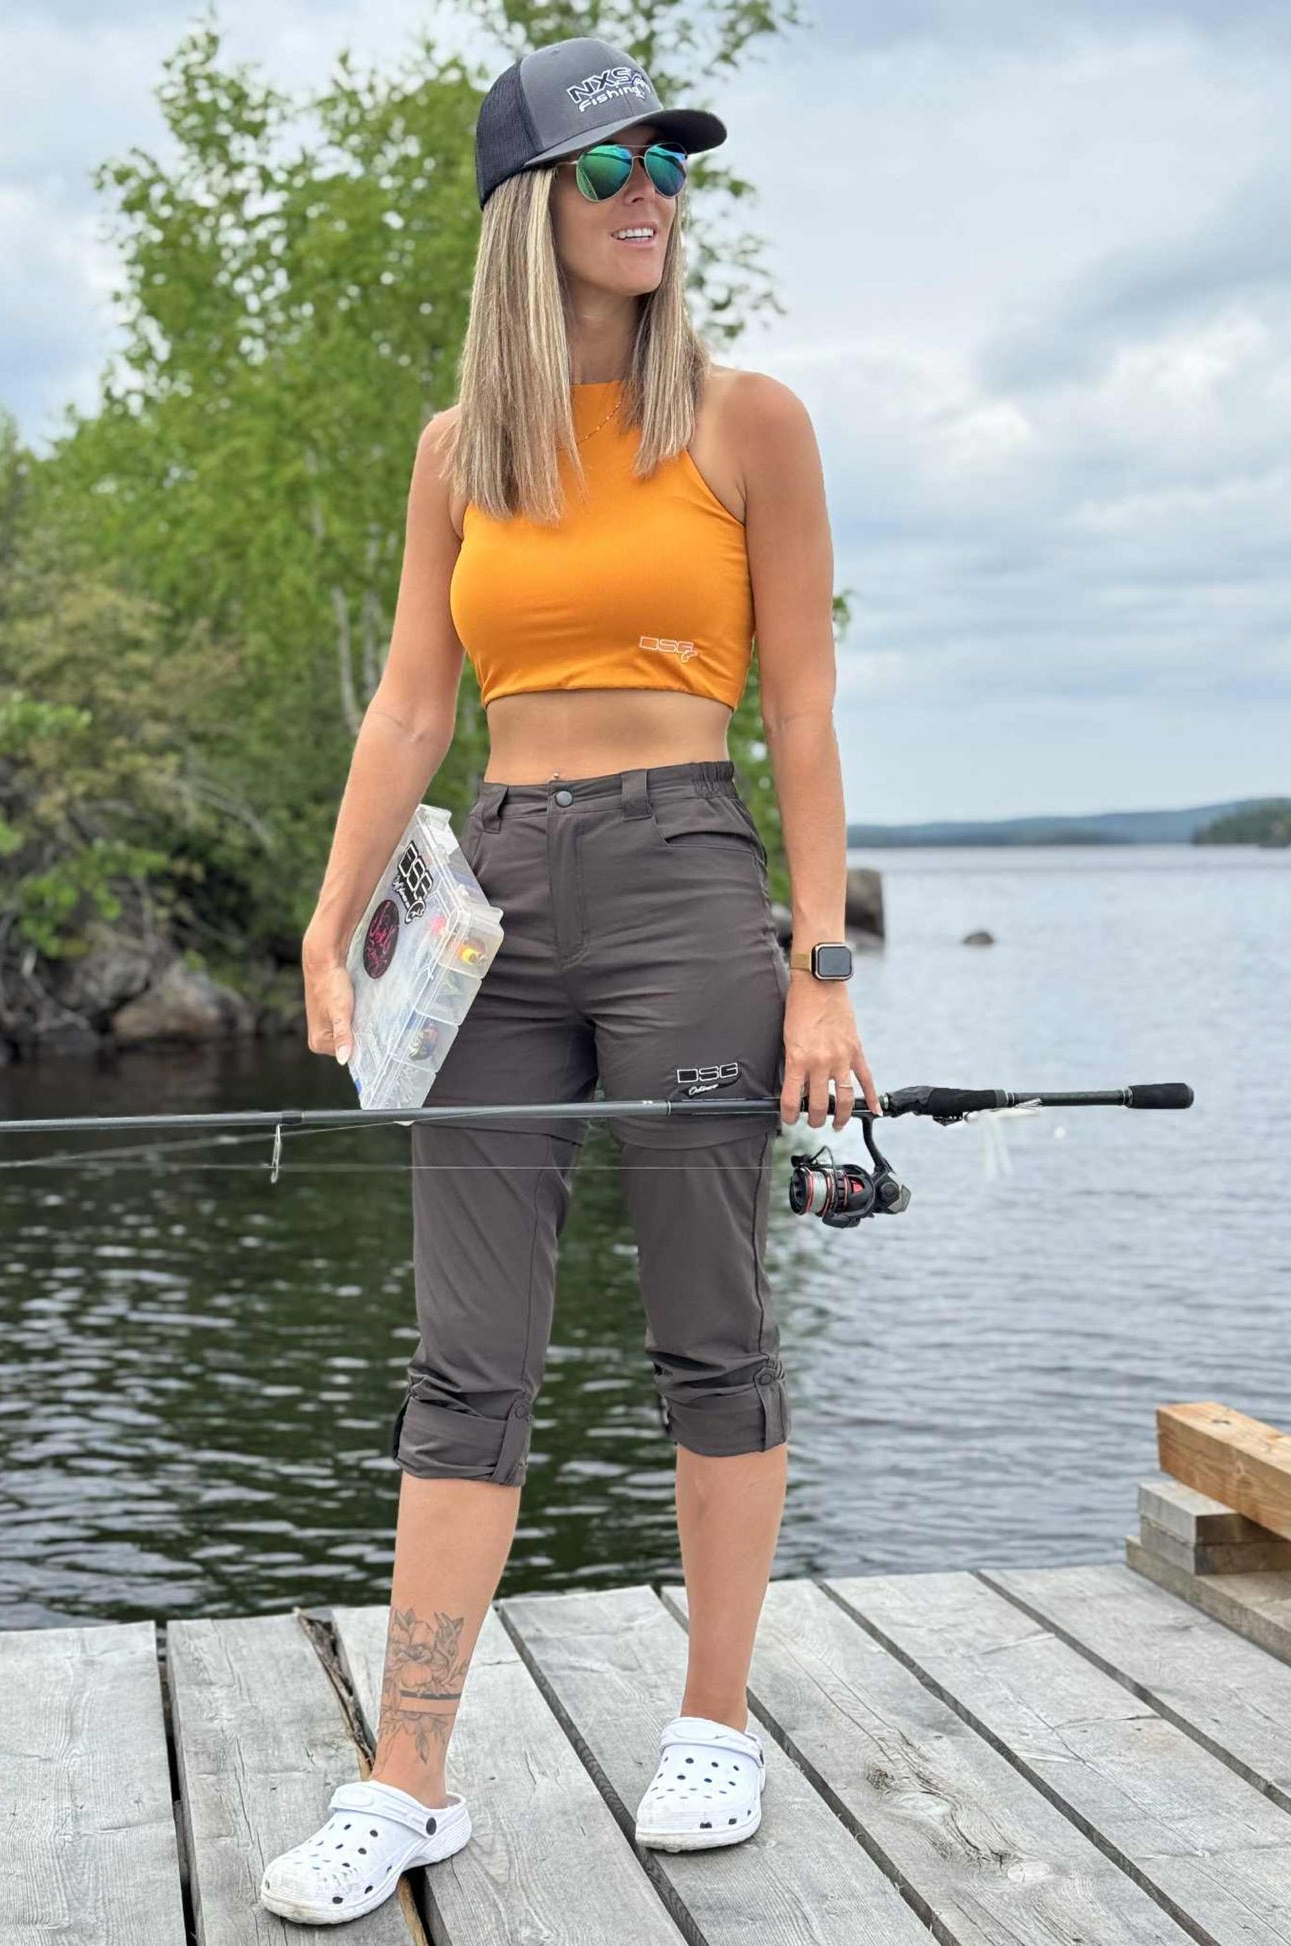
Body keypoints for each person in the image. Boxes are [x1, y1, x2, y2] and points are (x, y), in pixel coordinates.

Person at [261, 35, 876, 1926]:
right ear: (527, 207)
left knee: (710, 1323)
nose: (649, 198)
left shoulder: (749, 421)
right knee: (466, 1354)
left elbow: (801, 706)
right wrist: (329, 917)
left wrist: (821, 969)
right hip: (498, 895)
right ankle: (406, 1776)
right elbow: (410, 704)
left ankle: (713, 1722)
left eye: (670, 169)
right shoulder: (461, 451)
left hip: (691, 878)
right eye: (612, 168)